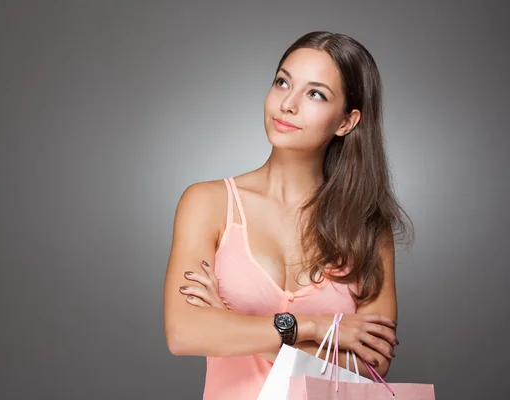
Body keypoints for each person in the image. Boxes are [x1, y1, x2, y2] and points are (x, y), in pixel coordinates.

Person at [163, 31, 412, 400]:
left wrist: (238, 330)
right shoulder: (208, 203)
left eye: (315, 94)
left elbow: (371, 364)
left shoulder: (368, 228)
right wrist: (315, 327)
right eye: (283, 82)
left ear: (346, 121)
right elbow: (184, 333)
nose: (288, 104)